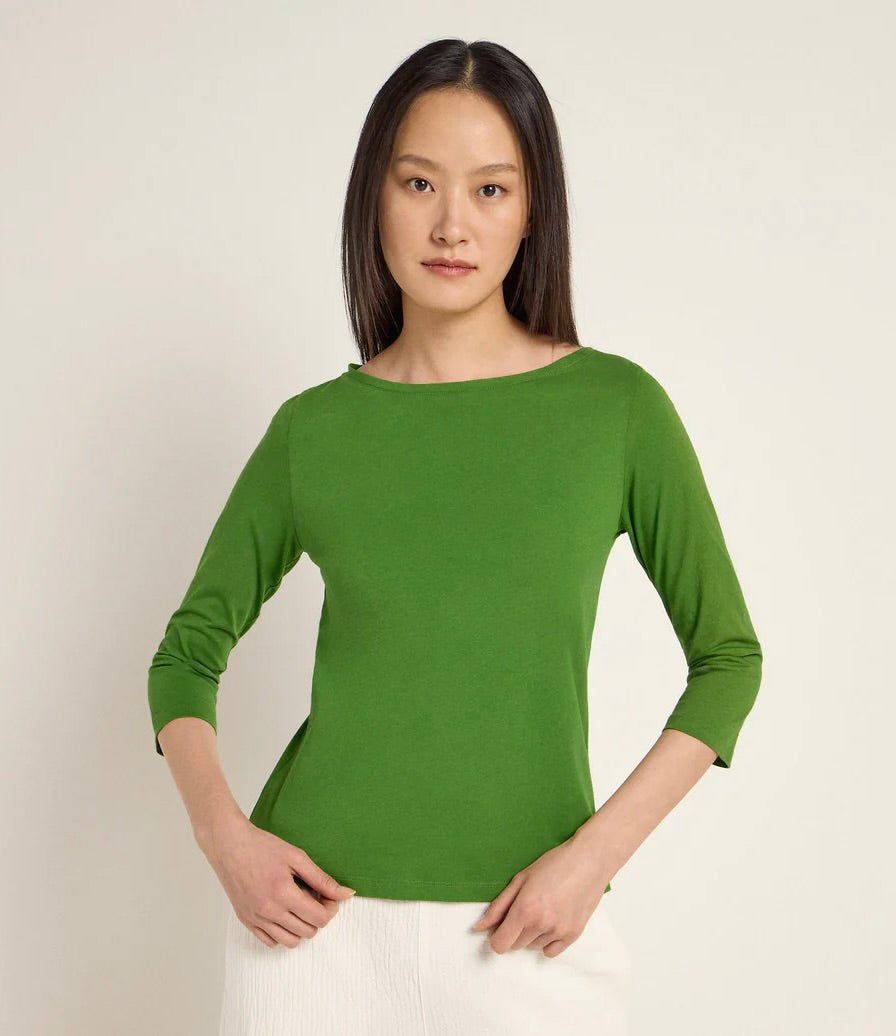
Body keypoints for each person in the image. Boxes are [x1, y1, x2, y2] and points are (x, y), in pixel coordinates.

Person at [147, 38, 763, 1036]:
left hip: (527, 935)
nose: (450, 224)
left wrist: (592, 859)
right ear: (375, 197)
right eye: (419, 182)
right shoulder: (315, 430)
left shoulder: (615, 410)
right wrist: (227, 841)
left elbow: (728, 659)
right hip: (310, 940)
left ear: (531, 210)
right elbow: (186, 654)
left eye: (489, 189)